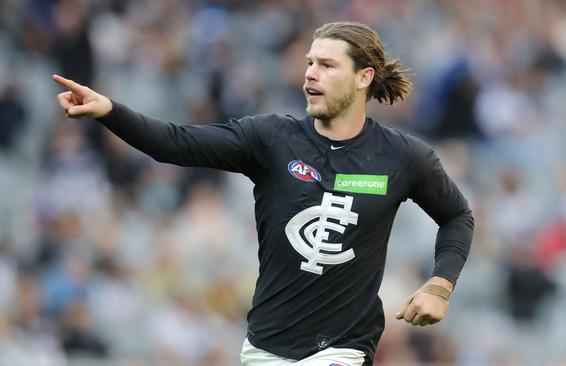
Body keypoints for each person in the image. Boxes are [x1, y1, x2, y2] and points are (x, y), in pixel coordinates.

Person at [53, 21, 473, 366]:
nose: (310, 72)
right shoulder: (271, 138)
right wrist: (109, 110)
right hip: (265, 348)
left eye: (327, 65)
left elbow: (457, 216)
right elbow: (174, 143)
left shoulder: (404, 156)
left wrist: (440, 284)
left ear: (363, 77)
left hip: (342, 349)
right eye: (310, 63)